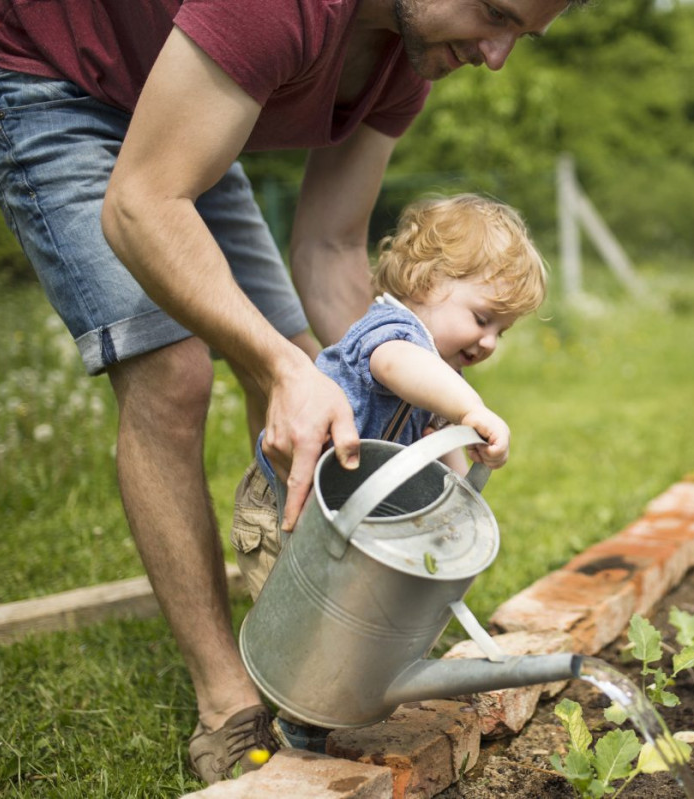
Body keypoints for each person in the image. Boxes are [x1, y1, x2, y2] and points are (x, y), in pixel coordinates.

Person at [0, 0, 583, 784]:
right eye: (494, 12)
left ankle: (307, 612)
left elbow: (332, 250)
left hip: (179, 98)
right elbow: (140, 203)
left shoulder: (416, 49)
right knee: (174, 371)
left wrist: (379, 384)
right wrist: (281, 369)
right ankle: (227, 700)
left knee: (314, 368)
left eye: (523, 36)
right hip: (53, 76)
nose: (498, 55)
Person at [232, 192, 546, 751]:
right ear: (426, 283)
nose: (490, 341)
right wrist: (470, 408)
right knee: (303, 628)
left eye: (503, 330)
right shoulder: (390, 335)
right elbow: (399, 367)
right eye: (482, 318)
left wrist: (460, 477)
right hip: (287, 510)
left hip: (346, 522)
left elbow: (429, 440)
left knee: (354, 618)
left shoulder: (435, 368)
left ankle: (326, 708)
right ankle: (295, 724)